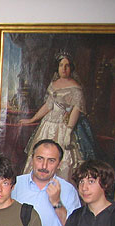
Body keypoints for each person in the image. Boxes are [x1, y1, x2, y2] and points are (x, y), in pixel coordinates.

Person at [20, 51, 98, 181]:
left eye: (67, 65)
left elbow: (76, 110)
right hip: (48, 125)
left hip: (64, 126)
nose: (64, 68)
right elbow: (48, 106)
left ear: (71, 68)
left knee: (63, 160)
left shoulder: (75, 87)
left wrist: (68, 131)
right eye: (61, 65)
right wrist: (32, 119)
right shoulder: (53, 84)